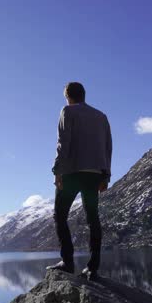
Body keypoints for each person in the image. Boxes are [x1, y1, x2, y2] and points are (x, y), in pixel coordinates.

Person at [46, 82, 112, 280]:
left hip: (72, 172)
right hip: (94, 173)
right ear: (84, 94)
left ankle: (67, 262)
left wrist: (57, 170)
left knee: (60, 216)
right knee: (93, 219)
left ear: (67, 95)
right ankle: (93, 268)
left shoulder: (67, 111)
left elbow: (63, 142)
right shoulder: (101, 116)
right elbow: (108, 147)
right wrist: (106, 174)